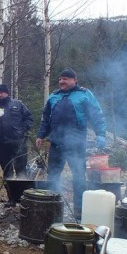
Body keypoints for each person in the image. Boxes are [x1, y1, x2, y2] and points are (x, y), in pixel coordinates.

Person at [35, 68, 106, 219]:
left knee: (79, 177)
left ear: (75, 80)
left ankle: (79, 211)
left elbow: (96, 115)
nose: (62, 81)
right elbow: (46, 118)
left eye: (66, 79)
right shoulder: (54, 97)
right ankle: (52, 208)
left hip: (77, 144)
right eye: (60, 79)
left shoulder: (84, 95)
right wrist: (41, 135)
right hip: (56, 143)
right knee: (53, 176)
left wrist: (100, 134)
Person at [0, 84, 34, 179]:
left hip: (18, 141)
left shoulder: (18, 104)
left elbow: (29, 118)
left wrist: (22, 130)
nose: (0, 95)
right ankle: (10, 189)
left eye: (2, 92)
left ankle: (21, 189)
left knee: (21, 169)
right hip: (1, 142)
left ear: (7, 93)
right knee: (7, 169)